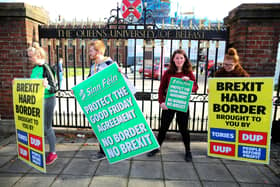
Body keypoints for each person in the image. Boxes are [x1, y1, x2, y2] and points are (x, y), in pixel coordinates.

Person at [86, 40, 136, 161]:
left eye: (91, 50)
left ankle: (117, 149)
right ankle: (103, 151)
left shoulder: (109, 64)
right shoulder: (93, 66)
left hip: (110, 102)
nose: (89, 53)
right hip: (98, 103)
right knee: (101, 127)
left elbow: (122, 81)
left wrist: (121, 74)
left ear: (98, 51)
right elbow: (88, 82)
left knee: (113, 126)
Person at [147, 49, 198, 162]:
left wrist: (189, 82)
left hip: (182, 104)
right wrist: (161, 102)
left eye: (181, 58)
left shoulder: (188, 73)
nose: (179, 60)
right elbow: (161, 88)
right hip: (169, 104)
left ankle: (188, 151)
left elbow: (195, 88)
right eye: (177, 58)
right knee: (163, 127)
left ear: (185, 59)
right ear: (173, 60)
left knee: (184, 128)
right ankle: (157, 147)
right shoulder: (168, 72)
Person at [27, 42, 57, 165]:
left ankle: (53, 152)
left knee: (47, 127)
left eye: (31, 56)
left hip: (48, 99)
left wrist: (47, 85)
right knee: (38, 127)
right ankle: (38, 149)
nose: (29, 59)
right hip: (37, 100)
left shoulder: (47, 68)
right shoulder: (35, 69)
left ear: (38, 55)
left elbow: (54, 88)